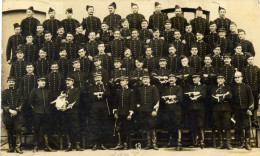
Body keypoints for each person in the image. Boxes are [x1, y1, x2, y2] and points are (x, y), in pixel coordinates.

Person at [29, 76, 55, 152]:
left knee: (46, 129)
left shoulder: (48, 91)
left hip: (47, 113)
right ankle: (35, 146)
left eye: (44, 81)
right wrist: (35, 110)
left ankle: (47, 146)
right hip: (37, 113)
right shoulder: (34, 90)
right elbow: (30, 102)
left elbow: (50, 102)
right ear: (38, 82)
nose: (43, 82)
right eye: (41, 81)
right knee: (36, 129)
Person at [111, 76, 135, 150]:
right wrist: (115, 112)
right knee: (119, 129)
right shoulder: (118, 91)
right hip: (120, 113)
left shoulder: (131, 91)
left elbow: (132, 103)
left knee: (127, 129)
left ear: (127, 82)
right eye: (120, 81)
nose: (121, 82)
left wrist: (130, 114)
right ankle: (120, 144)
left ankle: (126, 144)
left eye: (123, 81)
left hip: (127, 114)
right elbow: (115, 103)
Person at [231, 71, 254, 150]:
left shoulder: (247, 87)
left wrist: (249, 109)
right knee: (239, 126)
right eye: (235, 77)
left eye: (238, 77)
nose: (237, 79)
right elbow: (232, 100)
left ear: (241, 78)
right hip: (237, 110)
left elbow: (251, 99)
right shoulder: (233, 88)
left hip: (245, 110)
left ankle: (247, 143)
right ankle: (242, 143)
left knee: (247, 126)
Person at [88, 72, 111, 150]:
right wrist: (96, 95)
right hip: (94, 108)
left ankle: (102, 144)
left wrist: (101, 95)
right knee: (94, 126)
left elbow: (108, 94)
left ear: (101, 78)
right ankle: (94, 144)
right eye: (96, 77)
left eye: (99, 77)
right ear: (94, 78)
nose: (98, 79)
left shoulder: (105, 85)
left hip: (104, 107)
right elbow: (90, 96)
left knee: (103, 125)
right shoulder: (91, 86)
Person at [161, 74, 183, 150]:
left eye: (173, 78)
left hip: (176, 109)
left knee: (178, 125)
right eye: (170, 78)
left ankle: (179, 143)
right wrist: (169, 98)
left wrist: (170, 98)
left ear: (175, 79)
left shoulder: (178, 88)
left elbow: (179, 98)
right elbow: (162, 97)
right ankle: (170, 141)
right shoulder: (166, 88)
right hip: (168, 109)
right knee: (169, 124)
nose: (171, 79)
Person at [185, 74, 207, 148]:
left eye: (196, 78)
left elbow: (203, 95)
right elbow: (186, 95)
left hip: (200, 107)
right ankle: (194, 142)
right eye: (193, 78)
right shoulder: (190, 87)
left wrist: (195, 98)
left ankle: (202, 141)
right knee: (193, 124)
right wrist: (193, 95)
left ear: (199, 78)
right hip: (191, 107)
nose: (195, 79)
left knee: (200, 124)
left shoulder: (203, 86)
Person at [2, 77, 23, 153]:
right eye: (10, 82)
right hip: (7, 114)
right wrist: (9, 110)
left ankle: (18, 147)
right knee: (9, 130)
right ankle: (11, 147)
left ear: (14, 83)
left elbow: (21, 101)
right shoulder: (4, 92)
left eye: (12, 82)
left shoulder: (18, 92)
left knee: (18, 130)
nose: (11, 83)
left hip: (17, 114)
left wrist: (16, 110)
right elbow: (2, 103)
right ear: (7, 83)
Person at [211, 74, 233, 150]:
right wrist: (223, 96)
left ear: (224, 80)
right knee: (219, 126)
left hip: (226, 109)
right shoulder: (214, 88)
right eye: (219, 79)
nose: (220, 80)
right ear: (217, 80)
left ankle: (228, 143)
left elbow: (229, 96)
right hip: (216, 109)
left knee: (227, 126)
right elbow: (211, 98)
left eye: (221, 79)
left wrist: (218, 97)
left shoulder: (227, 87)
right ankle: (221, 143)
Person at [242, 53, 260, 128]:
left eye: (251, 59)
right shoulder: (243, 69)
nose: (250, 61)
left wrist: (259, 92)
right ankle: (247, 120)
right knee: (247, 104)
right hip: (246, 90)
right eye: (249, 59)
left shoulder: (257, 69)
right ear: (247, 60)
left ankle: (254, 120)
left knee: (255, 105)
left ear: (253, 60)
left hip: (255, 90)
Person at [19, 63, 37, 134]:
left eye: (31, 67)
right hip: (26, 99)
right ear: (26, 69)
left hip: (35, 99)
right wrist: (22, 98)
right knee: (26, 114)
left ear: (33, 68)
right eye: (28, 67)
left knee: (34, 114)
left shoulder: (36, 77)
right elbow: (20, 89)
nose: (29, 69)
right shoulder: (23, 78)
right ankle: (28, 129)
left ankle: (34, 129)